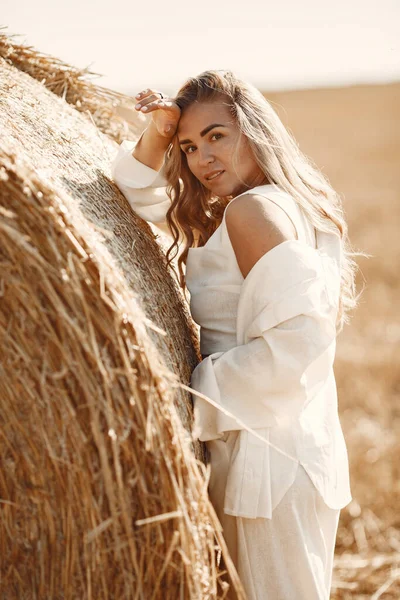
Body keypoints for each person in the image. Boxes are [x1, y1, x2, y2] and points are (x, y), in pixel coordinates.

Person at [111, 70, 359, 599]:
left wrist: (194, 394)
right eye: (190, 146)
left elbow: (299, 346)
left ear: (255, 130)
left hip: (265, 457)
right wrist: (158, 133)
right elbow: (137, 196)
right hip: (289, 444)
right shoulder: (281, 202)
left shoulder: (252, 211)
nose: (203, 159)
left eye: (217, 136)